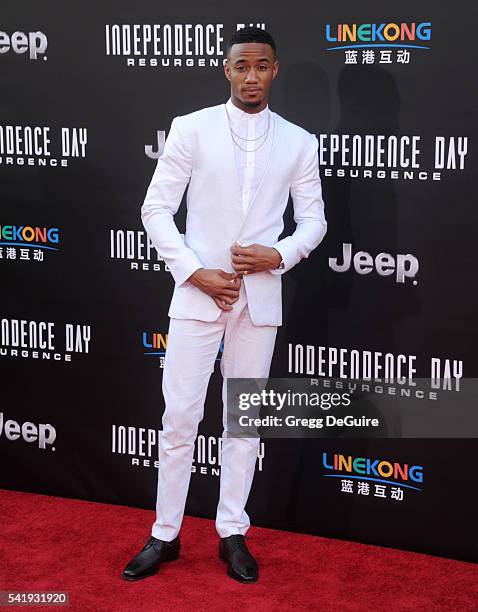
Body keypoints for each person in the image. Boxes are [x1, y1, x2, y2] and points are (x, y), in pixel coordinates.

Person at [122, 26, 327, 584]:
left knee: (243, 421)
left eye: (262, 66)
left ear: (274, 70)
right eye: (242, 66)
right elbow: (156, 209)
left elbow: (314, 220)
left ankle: (232, 531)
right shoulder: (191, 129)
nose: (252, 76)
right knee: (180, 416)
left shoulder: (299, 141)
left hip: (259, 301)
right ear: (227, 69)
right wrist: (194, 272)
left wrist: (277, 254)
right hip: (196, 295)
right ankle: (165, 534)